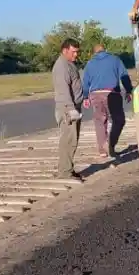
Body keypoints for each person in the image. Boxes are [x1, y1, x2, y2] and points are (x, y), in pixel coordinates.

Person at [81, 44, 133, 160]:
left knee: (100, 121)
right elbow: (124, 76)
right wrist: (129, 90)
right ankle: (111, 144)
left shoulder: (90, 64)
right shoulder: (115, 60)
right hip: (112, 93)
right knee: (118, 120)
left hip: (95, 94)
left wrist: (85, 97)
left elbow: (85, 82)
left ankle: (102, 150)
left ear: (94, 53)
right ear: (105, 50)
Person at [51, 38, 84, 181]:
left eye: (77, 52)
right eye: (74, 52)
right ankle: (65, 172)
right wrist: (71, 109)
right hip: (67, 108)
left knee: (72, 140)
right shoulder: (62, 67)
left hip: (72, 106)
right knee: (68, 140)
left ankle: (68, 168)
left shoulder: (69, 64)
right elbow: (63, 90)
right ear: (65, 51)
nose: (76, 54)